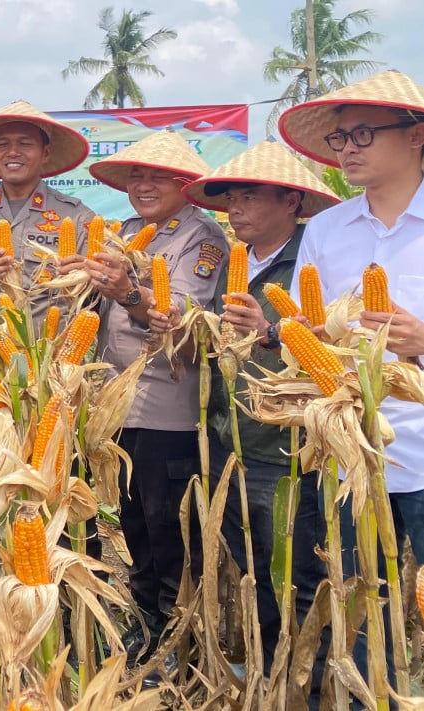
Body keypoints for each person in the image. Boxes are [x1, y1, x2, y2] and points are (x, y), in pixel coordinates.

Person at [279, 69, 424, 701]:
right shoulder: (327, 230)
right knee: (357, 601)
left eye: (364, 133)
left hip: (422, 452)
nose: (348, 150)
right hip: (347, 453)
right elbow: (310, 331)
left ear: (416, 136)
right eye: (339, 139)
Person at [69, 128, 225, 675]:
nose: (143, 185)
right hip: (116, 401)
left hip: (166, 407)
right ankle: (148, 624)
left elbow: (181, 316)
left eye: (157, 175)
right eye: (136, 175)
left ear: (185, 183)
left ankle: (178, 638)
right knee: (133, 522)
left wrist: (129, 294)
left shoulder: (201, 239)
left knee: (168, 529)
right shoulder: (127, 232)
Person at [184, 139, 338, 683]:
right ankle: (268, 668)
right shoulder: (235, 262)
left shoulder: (315, 261)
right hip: (235, 441)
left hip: (289, 448)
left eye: (250, 198)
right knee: (253, 565)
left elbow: (334, 346)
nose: (236, 210)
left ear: (291, 202)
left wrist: (271, 332)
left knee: (295, 573)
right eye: (230, 201)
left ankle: (306, 681)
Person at [0, 100, 95, 316]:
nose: (13, 152)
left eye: (25, 144)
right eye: (3, 144)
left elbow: (98, 296)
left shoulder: (76, 217)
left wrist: (86, 279)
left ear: (45, 153)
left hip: (52, 346)